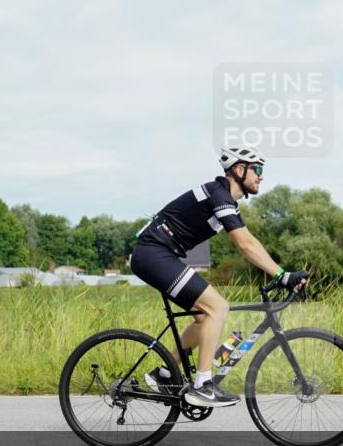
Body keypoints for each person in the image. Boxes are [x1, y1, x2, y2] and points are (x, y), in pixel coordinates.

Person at [129, 146, 309, 407]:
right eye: (257, 169)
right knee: (218, 307)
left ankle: (165, 373)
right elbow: (245, 244)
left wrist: (282, 275)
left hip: (160, 255)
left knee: (204, 316)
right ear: (239, 170)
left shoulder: (227, 202)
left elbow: (250, 241)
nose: (261, 176)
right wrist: (283, 275)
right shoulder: (218, 194)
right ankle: (202, 385)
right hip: (153, 254)